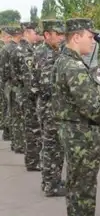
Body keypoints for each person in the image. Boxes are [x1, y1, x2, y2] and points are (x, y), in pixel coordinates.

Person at [51, 18, 100, 216]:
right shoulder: (74, 66)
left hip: (72, 134)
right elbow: (92, 108)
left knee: (75, 186)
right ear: (76, 37)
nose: (93, 41)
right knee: (84, 190)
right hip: (82, 137)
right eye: (90, 37)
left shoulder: (62, 60)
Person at [34, 19, 66, 196]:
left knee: (53, 146)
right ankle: (51, 185)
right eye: (58, 34)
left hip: (50, 105)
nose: (61, 37)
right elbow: (46, 85)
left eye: (62, 34)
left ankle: (51, 180)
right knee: (52, 147)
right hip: (50, 107)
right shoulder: (45, 54)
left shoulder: (54, 51)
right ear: (47, 35)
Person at [12, 22, 42, 171]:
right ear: (28, 33)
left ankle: (33, 160)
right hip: (29, 95)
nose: (37, 35)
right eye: (35, 33)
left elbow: (14, 75)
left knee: (31, 128)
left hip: (23, 93)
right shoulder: (24, 51)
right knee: (32, 129)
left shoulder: (25, 49)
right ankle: (33, 161)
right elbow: (29, 77)